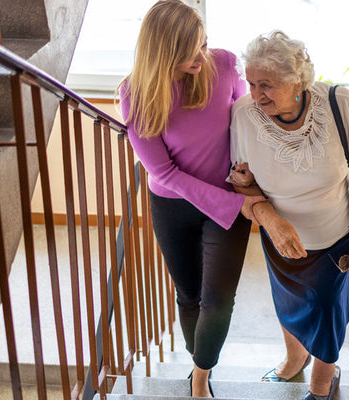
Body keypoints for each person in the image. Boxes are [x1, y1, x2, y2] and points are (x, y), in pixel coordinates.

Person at [117, 1, 265, 397]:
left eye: (204, 44)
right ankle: (199, 358)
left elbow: (245, 123)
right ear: (164, 51)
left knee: (218, 299)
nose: (203, 56)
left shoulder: (224, 64)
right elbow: (163, 172)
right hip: (174, 205)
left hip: (230, 199)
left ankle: (200, 376)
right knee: (189, 295)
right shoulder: (135, 94)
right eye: (191, 51)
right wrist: (234, 204)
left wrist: (247, 181)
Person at [228, 31, 349, 400]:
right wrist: (269, 219)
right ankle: (295, 358)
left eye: (267, 84)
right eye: (251, 83)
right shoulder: (244, 116)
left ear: (297, 79)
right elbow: (242, 181)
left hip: (336, 237)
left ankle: (321, 381)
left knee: (327, 309)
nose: (256, 93)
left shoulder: (339, 102)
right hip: (279, 236)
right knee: (289, 301)